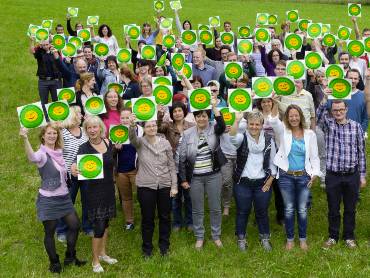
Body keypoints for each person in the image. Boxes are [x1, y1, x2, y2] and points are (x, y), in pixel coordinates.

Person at [19, 123, 86, 274]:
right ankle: (54, 263)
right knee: (50, 232)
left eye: (54, 133)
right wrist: (25, 138)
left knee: (75, 226)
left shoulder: (59, 151)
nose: (52, 136)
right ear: (43, 136)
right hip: (49, 200)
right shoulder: (42, 154)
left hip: (64, 197)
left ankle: (70, 257)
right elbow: (32, 157)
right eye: (49, 133)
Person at [266, 103, 321, 251]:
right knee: (289, 209)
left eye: (296, 115)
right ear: (287, 118)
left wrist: (315, 174)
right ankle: (290, 239)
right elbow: (272, 120)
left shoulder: (310, 134)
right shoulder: (283, 132)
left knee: (302, 209)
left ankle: (303, 239)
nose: (294, 118)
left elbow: (315, 157)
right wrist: (275, 102)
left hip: (303, 176)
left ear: (301, 116)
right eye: (291, 116)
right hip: (285, 176)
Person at [317, 91, 366, 250]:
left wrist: (362, 175)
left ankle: (349, 237)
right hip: (333, 175)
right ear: (332, 111)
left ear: (346, 109)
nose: (338, 112)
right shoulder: (328, 125)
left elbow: (361, 152)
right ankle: (333, 236)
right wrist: (325, 99)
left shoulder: (356, 127)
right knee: (333, 208)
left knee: (350, 208)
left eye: (341, 110)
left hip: (352, 175)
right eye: (335, 110)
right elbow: (318, 118)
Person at [178, 97, 226, 249]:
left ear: (208, 116)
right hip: (195, 178)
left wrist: (214, 107)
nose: (201, 118)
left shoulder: (214, 128)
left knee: (215, 207)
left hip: (214, 175)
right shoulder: (187, 134)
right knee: (197, 209)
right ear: (195, 117)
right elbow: (182, 157)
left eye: (204, 115)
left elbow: (222, 124)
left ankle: (216, 235)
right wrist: (184, 179)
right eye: (198, 116)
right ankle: (199, 237)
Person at [71, 116, 117, 273]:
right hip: (92, 192)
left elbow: (112, 163)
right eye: (89, 128)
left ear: (100, 128)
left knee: (105, 224)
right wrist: (74, 169)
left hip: (108, 189)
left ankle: (103, 254)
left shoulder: (108, 143)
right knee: (98, 226)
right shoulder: (83, 148)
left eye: (94, 127)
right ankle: (95, 261)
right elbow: (76, 167)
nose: (92, 130)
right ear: (86, 130)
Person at [128, 115, 178, 258]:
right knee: (147, 218)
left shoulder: (165, 143)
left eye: (154, 125)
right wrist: (132, 125)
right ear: (144, 128)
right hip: (146, 186)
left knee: (165, 217)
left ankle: (164, 247)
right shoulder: (140, 143)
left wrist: (174, 186)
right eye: (148, 126)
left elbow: (171, 166)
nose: (151, 128)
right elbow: (132, 138)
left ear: (157, 126)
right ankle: (147, 249)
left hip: (164, 185)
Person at [229, 111, 277, 251]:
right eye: (251, 124)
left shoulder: (269, 139)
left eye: (257, 124)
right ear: (247, 125)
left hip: (262, 182)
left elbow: (273, 161)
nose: (254, 127)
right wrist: (237, 121)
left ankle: (264, 238)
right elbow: (232, 137)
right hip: (243, 182)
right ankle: (241, 239)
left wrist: (270, 180)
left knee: (262, 212)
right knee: (242, 211)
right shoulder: (241, 138)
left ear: (262, 125)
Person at [157, 102, 195, 231]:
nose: (177, 113)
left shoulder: (191, 126)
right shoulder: (167, 126)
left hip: (188, 167)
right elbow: (158, 128)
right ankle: (177, 222)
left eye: (180, 110)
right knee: (175, 197)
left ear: (184, 111)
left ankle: (190, 221)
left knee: (189, 197)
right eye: (175, 111)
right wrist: (160, 115)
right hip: (172, 166)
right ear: (172, 114)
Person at [56, 106, 92, 241]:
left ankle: (87, 226)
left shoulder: (85, 130)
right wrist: (68, 167)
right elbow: (57, 156)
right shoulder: (62, 133)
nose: (82, 116)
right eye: (79, 114)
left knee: (87, 201)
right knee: (66, 202)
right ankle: (61, 230)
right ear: (72, 116)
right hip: (68, 176)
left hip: (86, 172)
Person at [254, 98, 285, 225]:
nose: (266, 104)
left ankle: (281, 216)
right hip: (260, 154)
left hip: (277, 153)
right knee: (260, 187)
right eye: (263, 102)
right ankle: (259, 216)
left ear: (272, 102)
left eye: (268, 101)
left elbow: (282, 131)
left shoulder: (279, 114)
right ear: (260, 104)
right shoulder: (256, 114)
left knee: (278, 187)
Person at [115, 108, 144, 230]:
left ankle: (146, 217)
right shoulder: (115, 131)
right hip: (121, 171)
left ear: (133, 118)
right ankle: (129, 221)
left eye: (128, 117)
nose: (125, 120)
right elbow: (109, 154)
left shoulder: (140, 130)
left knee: (142, 195)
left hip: (136, 170)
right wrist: (116, 148)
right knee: (126, 197)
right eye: (123, 118)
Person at [29, 38, 62, 108]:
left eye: (47, 44)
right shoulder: (40, 52)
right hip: (43, 81)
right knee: (43, 102)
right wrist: (32, 41)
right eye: (43, 45)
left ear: (50, 44)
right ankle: (46, 118)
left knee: (57, 102)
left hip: (55, 80)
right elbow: (32, 51)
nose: (45, 46)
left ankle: (57, 118)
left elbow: (60, 61)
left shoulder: (55, 52)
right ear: (42, 45)